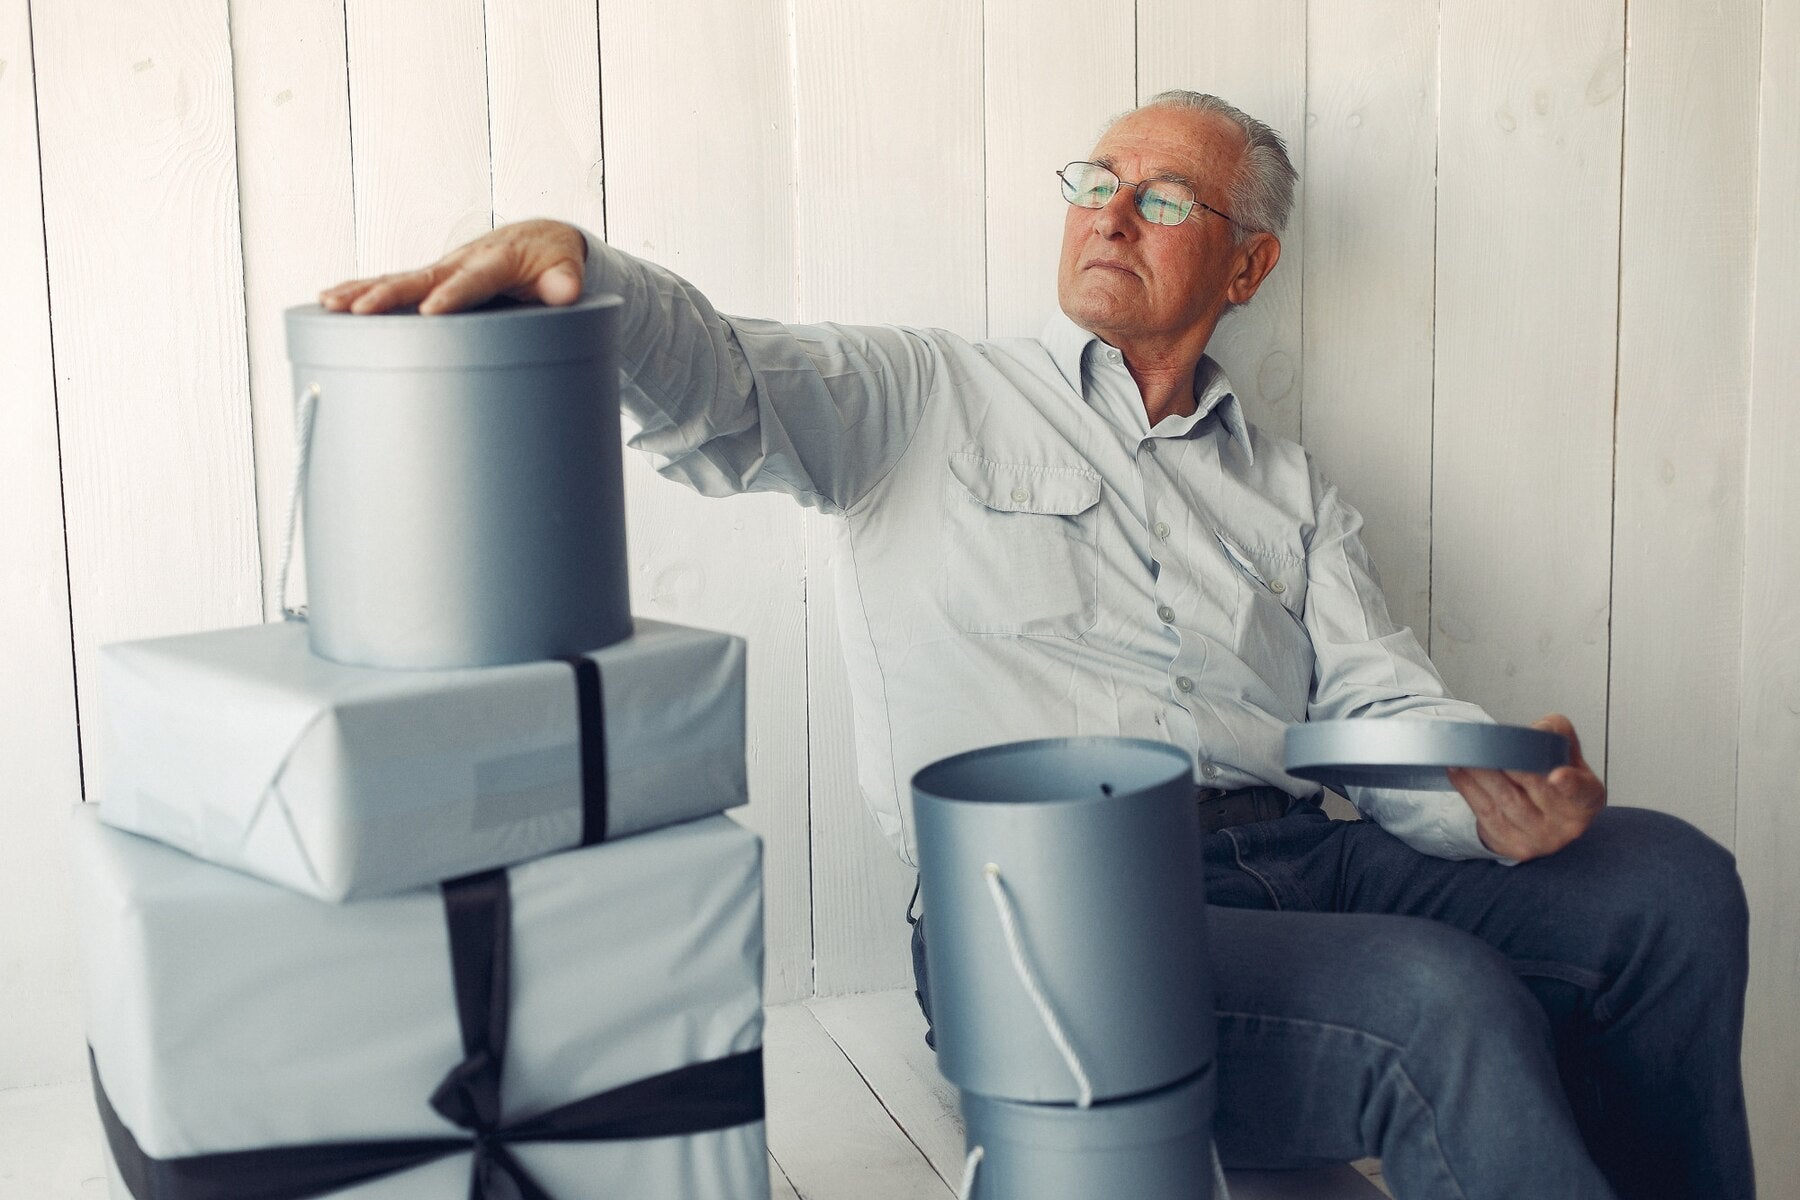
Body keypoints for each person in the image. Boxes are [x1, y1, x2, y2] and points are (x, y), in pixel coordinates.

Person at [322, 90, 1752, 1200]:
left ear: (1246, 265)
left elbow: (1374, 710)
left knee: (1671, 888)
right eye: (1094, 182)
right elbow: (726, 381)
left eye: (1164, 196)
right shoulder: (922, 398)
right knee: (1440, 998)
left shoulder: (1288, 487)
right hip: (1058, 918)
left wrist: (1487, 796)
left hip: (1303, 859)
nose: (1110, 215)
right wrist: (588, 264)